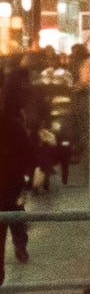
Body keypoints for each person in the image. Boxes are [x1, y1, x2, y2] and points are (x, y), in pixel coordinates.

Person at [0, 68, 37, 277]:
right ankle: (20, 244)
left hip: (8, 183)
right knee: (13, 213)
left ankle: (20, 243)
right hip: (9, 184)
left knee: (12, 214)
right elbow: (27, 154)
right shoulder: (12, 121)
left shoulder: (10, 122)